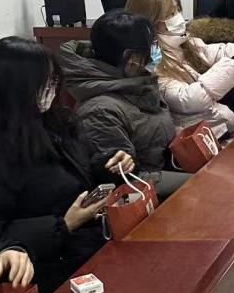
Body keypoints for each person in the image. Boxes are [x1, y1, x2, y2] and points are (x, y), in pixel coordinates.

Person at [0, 37, 131, 293]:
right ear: (14, 88)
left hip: (92, 242)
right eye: (43, 83)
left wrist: (109, 164)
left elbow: (81, 168)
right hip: (41, 269)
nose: (50, 91)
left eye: (53, 82)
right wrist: (64, 225)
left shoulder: (56, 122)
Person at [125, 0, 234, 141]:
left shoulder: (180, 41)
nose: (178, 17)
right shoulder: (150, 61)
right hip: (195, 140)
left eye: (178, 10)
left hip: (218, 127)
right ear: (150, 21)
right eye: (171, 14)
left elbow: (211, 52)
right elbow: (190, 99)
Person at [58, 11, 178, 177]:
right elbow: (125, 177)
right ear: (130, 57)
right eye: (149, 48)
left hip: (168, 167)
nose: (153, 52)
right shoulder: (99, 110)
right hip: (144, 183)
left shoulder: (139, 81)